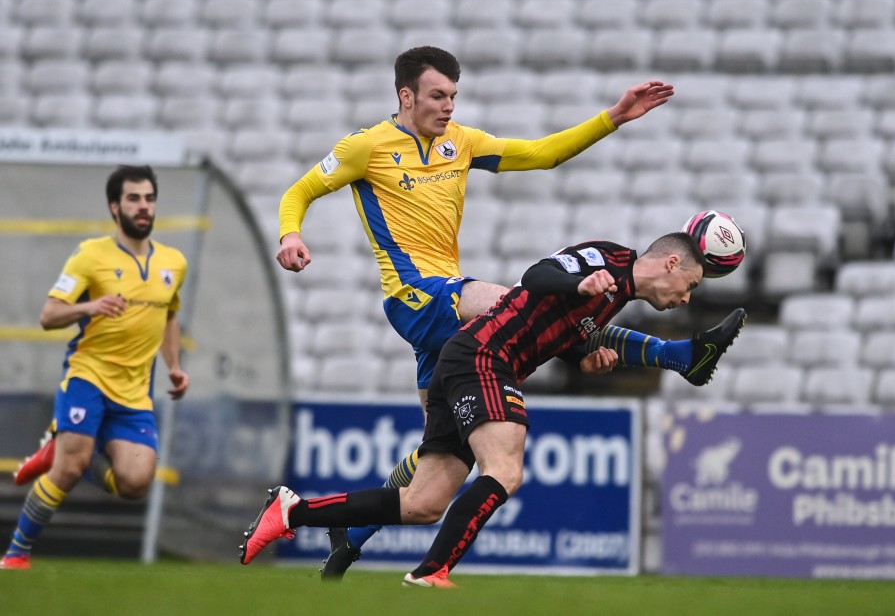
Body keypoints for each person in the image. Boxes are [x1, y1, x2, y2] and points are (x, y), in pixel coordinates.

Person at [275, 45, 718, 579]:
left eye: (454, 96)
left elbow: (540, 154)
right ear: (406, 95)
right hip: (416, 295)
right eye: (438, 96)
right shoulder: (366, 147)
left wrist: (612, 118)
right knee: (524, 301)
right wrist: (291, 234)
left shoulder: (461, 143)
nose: (449, 107)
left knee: (436, 458)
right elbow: (300, 190)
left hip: (448, 321)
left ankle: (350, 533)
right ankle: (671, 354)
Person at [240, 232, 746, 585]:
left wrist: (587, 354)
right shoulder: (606, 261)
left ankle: (292, 511)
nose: (686, 297)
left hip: (470, 361)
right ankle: (429, 574)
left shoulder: (614, 296)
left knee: (423, 502)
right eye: (693, 285)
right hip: (483, 357)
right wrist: (579, 283)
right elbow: (537, 275)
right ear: (672, 263)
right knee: (504, 468)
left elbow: (554, 327)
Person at [0, 165, 189, 570]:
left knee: (136, 483)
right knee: (72, 465)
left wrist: (174, 366)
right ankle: (16, 553)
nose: (143, 206)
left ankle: (65, 450)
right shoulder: (91, 255)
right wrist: (89, 305)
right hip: (88, 377)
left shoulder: (174, 262)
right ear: (114, 206)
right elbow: (49, 315)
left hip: (135, 392)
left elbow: (170, 315)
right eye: (134, 198)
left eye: (149, 198)